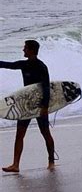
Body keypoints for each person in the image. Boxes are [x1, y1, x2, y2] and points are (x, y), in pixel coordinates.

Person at [0, 40, 55, 172]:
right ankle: (15, 165)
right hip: (26, 105)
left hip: (39, 105)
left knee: (45, 133)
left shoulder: (41, 67)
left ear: (31, 50)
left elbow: (46, 87)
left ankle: (51, 161)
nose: (23, 50)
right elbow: (8, 65)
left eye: (25, 48)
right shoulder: (24, 65)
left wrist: (45, 107)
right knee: (19, 134)